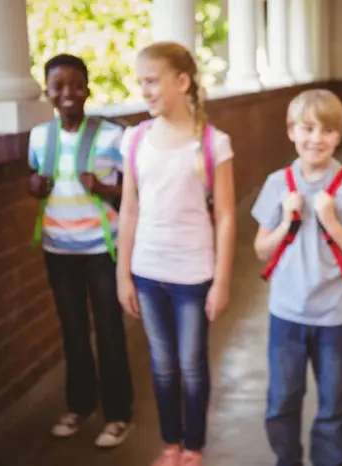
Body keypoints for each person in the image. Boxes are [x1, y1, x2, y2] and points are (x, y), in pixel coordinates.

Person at [116, 42, 236, 466]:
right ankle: (170, 445)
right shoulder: (134, 140)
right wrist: (122, 275)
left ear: (181, 82)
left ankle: (194, 447)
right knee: (162, 366)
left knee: (192, 365)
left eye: (151, 81)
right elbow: (128, 210)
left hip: (193, 274)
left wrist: (221, 282)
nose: (144, 91)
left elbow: (224, 215)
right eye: (140, 83)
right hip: (147, 271)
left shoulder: (212, 143)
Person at [251, 89, 342, 466]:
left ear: (338, 135)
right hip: (286, 313)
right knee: (281, 402)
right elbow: (261, 250)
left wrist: (331, 221)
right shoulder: (278, 184)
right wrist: (288, 220)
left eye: (327, 130)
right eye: (307, 128)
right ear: (291, 131)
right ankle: (286, 459)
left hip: (334, 315)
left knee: (333, 405)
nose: (316, 139)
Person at [27, 53, 134, 447]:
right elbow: (36, 177)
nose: (68, 93)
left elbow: (133, 193)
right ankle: (79, 405)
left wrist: (105, 188)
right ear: (48, 92)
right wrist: (33, 187)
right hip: (59, 248)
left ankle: (119, 414)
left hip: (102, 248)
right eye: (58, 86)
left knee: (108, 329)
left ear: (88, 89)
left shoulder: (112, 135)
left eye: (76, 85)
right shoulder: (40, 137)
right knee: (72, 331)